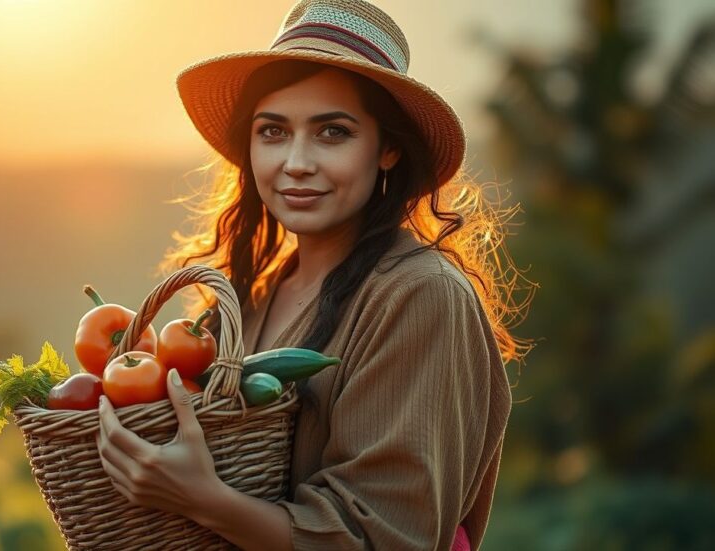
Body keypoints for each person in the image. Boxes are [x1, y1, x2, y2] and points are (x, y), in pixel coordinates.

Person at [96, 1, 533, 549]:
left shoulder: (420, 295)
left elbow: (385, 535)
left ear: (389, 149)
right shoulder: (252, 295)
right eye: (273, 132)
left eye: (332, 133)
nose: (296, 162)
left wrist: (204, 500)